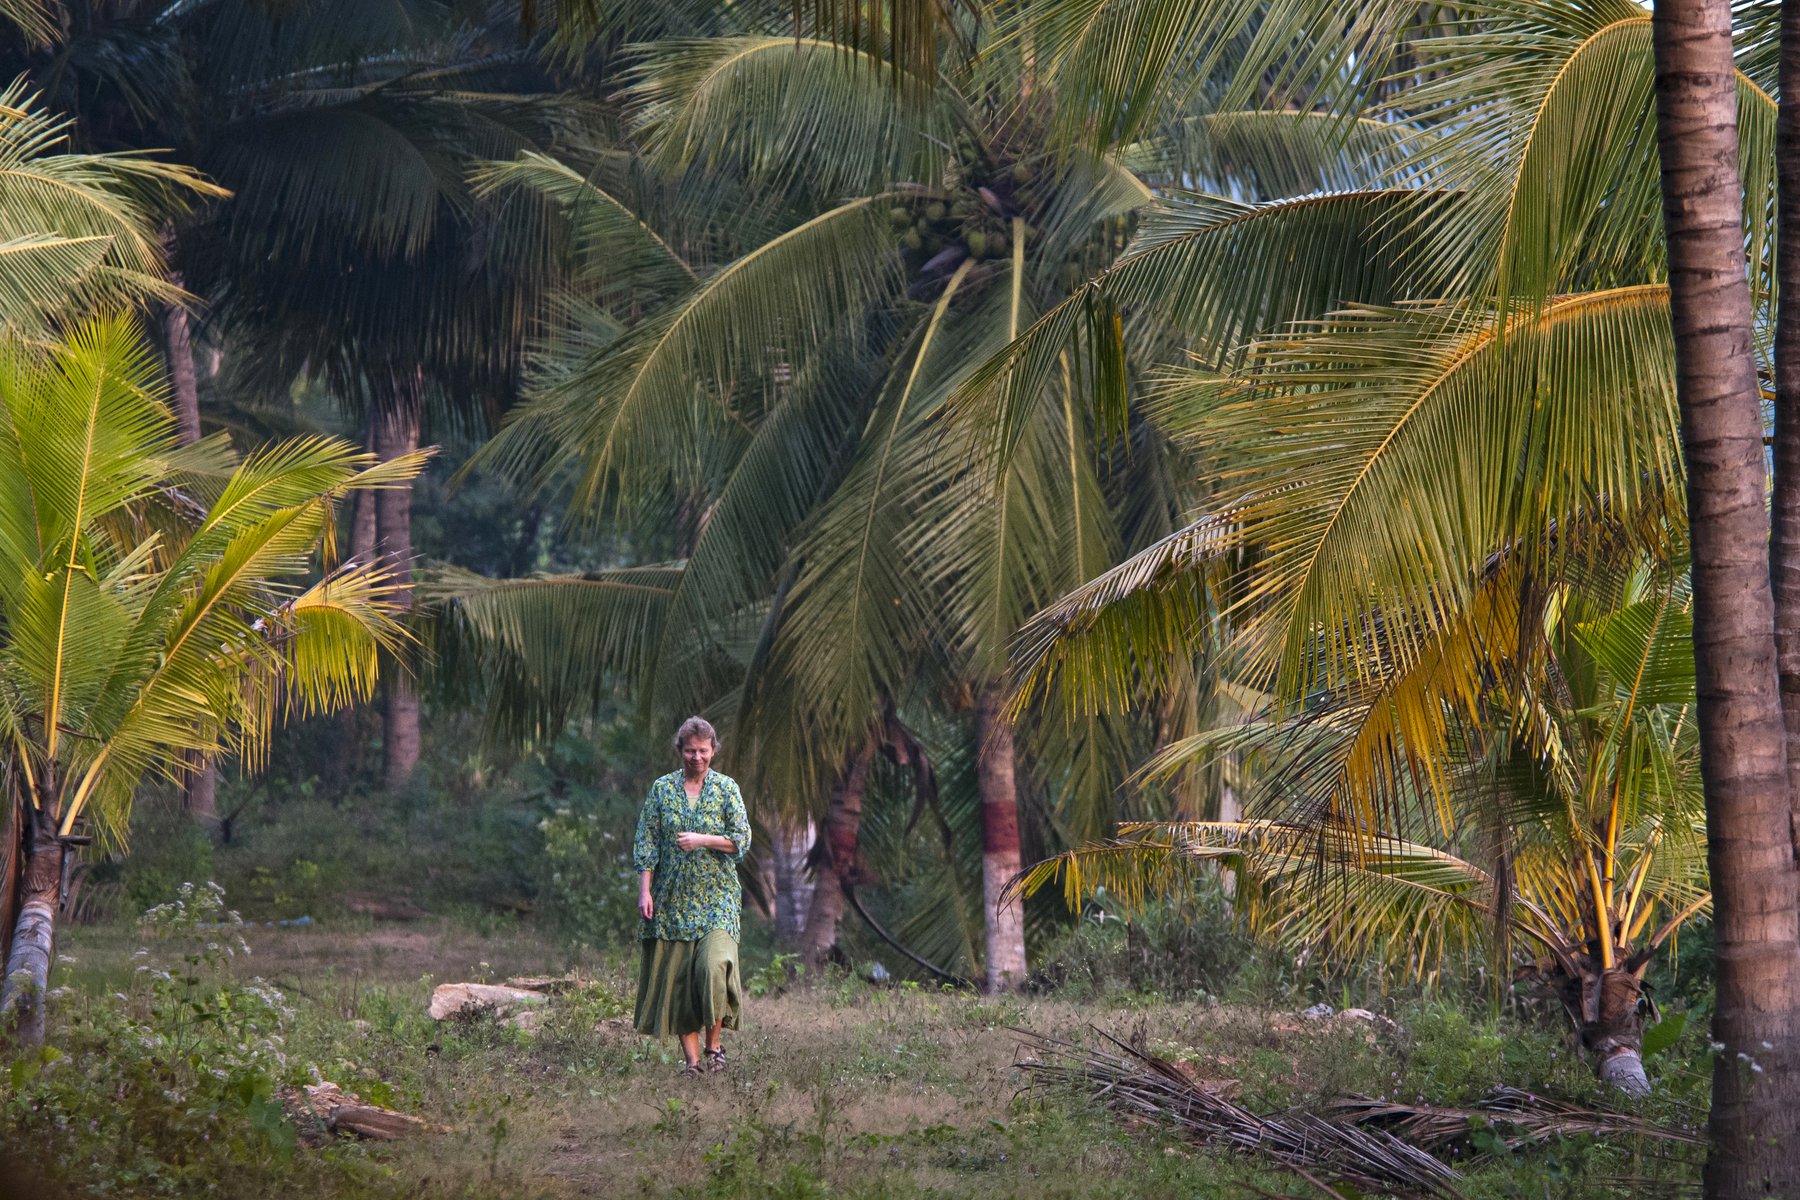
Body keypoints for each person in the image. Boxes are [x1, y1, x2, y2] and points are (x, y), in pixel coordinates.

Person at [631, 716, 752, 1076]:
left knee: (714, 966)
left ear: (713, 750)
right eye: (690, 751)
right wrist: (645, 890)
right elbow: (647, 840)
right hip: (673, 900)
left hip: (718, 898)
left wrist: (702, 840)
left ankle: (715, 1047)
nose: (696, 757)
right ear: (680, 752)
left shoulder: (726, 789)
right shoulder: (663, 789)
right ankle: (693, 1063)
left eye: (703, 750)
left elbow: (741, 840)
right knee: (680, 977)